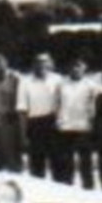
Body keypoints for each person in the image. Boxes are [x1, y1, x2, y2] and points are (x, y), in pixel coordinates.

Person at [53, 54, 101, 188]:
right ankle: (68, 194)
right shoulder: (61, 84)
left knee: (86, 166)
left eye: (79, 66)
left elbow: (96, 105)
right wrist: (58, 121)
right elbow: (56, 104)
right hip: (65, 129)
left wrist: (93, 123)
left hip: (84, 129)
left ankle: (89, 194)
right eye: (73, 66)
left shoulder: (92, 85)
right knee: (66, 167)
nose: (76, 69)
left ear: (85, 68)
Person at [17, 52, 62, 180]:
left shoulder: (58, 79)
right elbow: (22, 109)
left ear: (50, 64)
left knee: (58, 164)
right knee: (37, 166)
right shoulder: (25, 82)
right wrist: (23, 134)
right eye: (39, 62)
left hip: (54, 124)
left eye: (45, 61)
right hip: (35, 125)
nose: (42, 65)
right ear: (34, 64)